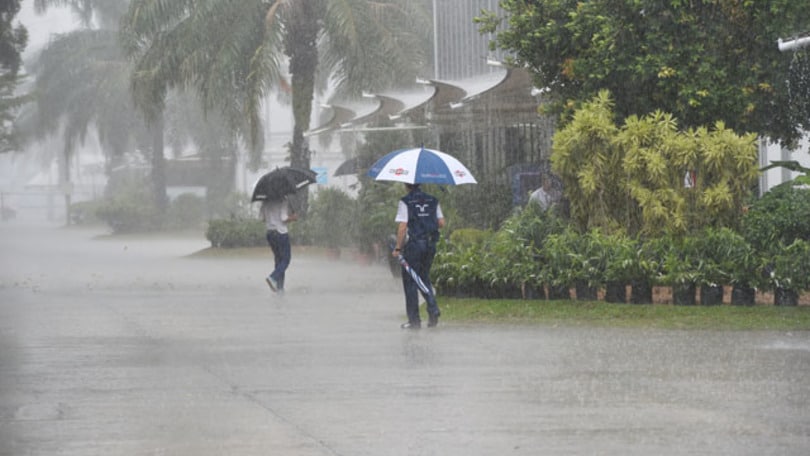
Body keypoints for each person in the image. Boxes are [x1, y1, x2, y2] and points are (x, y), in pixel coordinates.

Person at [392, 183, 445, 329]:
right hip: (430, 245)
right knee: (424, 278)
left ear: (406, 184)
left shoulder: (406, 201)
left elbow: (403, 227)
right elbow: (441, 223)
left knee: (410, 282)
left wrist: (398, 247)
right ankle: (433, 309)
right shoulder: (433, 200)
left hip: (414, 246)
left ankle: (414, 320)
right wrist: (427, 222)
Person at [261, 196, 298, 293]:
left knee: (278, 261)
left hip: (270, 234)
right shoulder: (283, 200)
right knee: (286, 260)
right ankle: (273, 278)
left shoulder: (265, 201)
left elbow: (262, 218)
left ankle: (280, 288)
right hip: (280, 233)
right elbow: (283, 218)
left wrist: (272, 218)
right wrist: (293, 218)